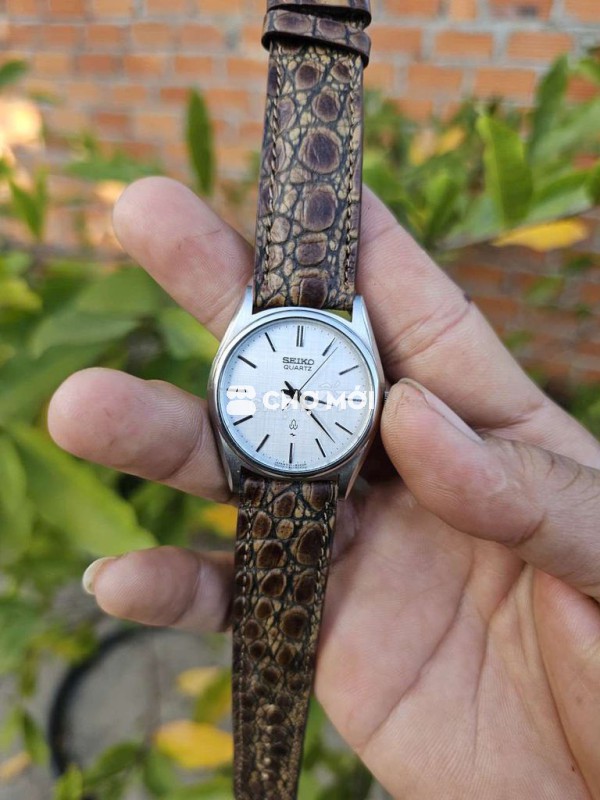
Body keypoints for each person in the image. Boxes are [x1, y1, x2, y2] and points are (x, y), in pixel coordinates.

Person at [48, 177, 600, 798]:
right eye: (288, 389)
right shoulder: (286, 352)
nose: (294, 395)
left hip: (316, 470)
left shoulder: (327, 368)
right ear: (224, 382)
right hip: (266, 464)